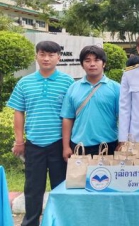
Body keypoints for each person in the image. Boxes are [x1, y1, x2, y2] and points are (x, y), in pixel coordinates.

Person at [8, 41, 74, 226]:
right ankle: (30, 223)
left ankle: (61, 221)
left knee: (60, 188)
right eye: (42, 54)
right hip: (34, 144)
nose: (46, 58)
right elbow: (18, 112)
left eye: (51, 55)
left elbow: (71, 115)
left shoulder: (67, 82)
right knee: (33, 188)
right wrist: (19, 141)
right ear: (36, 56)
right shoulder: (24, 83)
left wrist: (68, 145)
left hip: (59, 143)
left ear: (58, 58)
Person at [61, 45, 120, 159]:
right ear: (82, 64)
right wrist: (66, 146)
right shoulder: (73, 88)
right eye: (87, 61)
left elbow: (124, 117)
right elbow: (67, 118)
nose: (92, 64)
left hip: (108, 146)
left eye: (96, 60)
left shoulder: (116, 88)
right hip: (79, 146)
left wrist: (122, 142)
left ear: (104, 63)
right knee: (80, 177)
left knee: (106, 177)